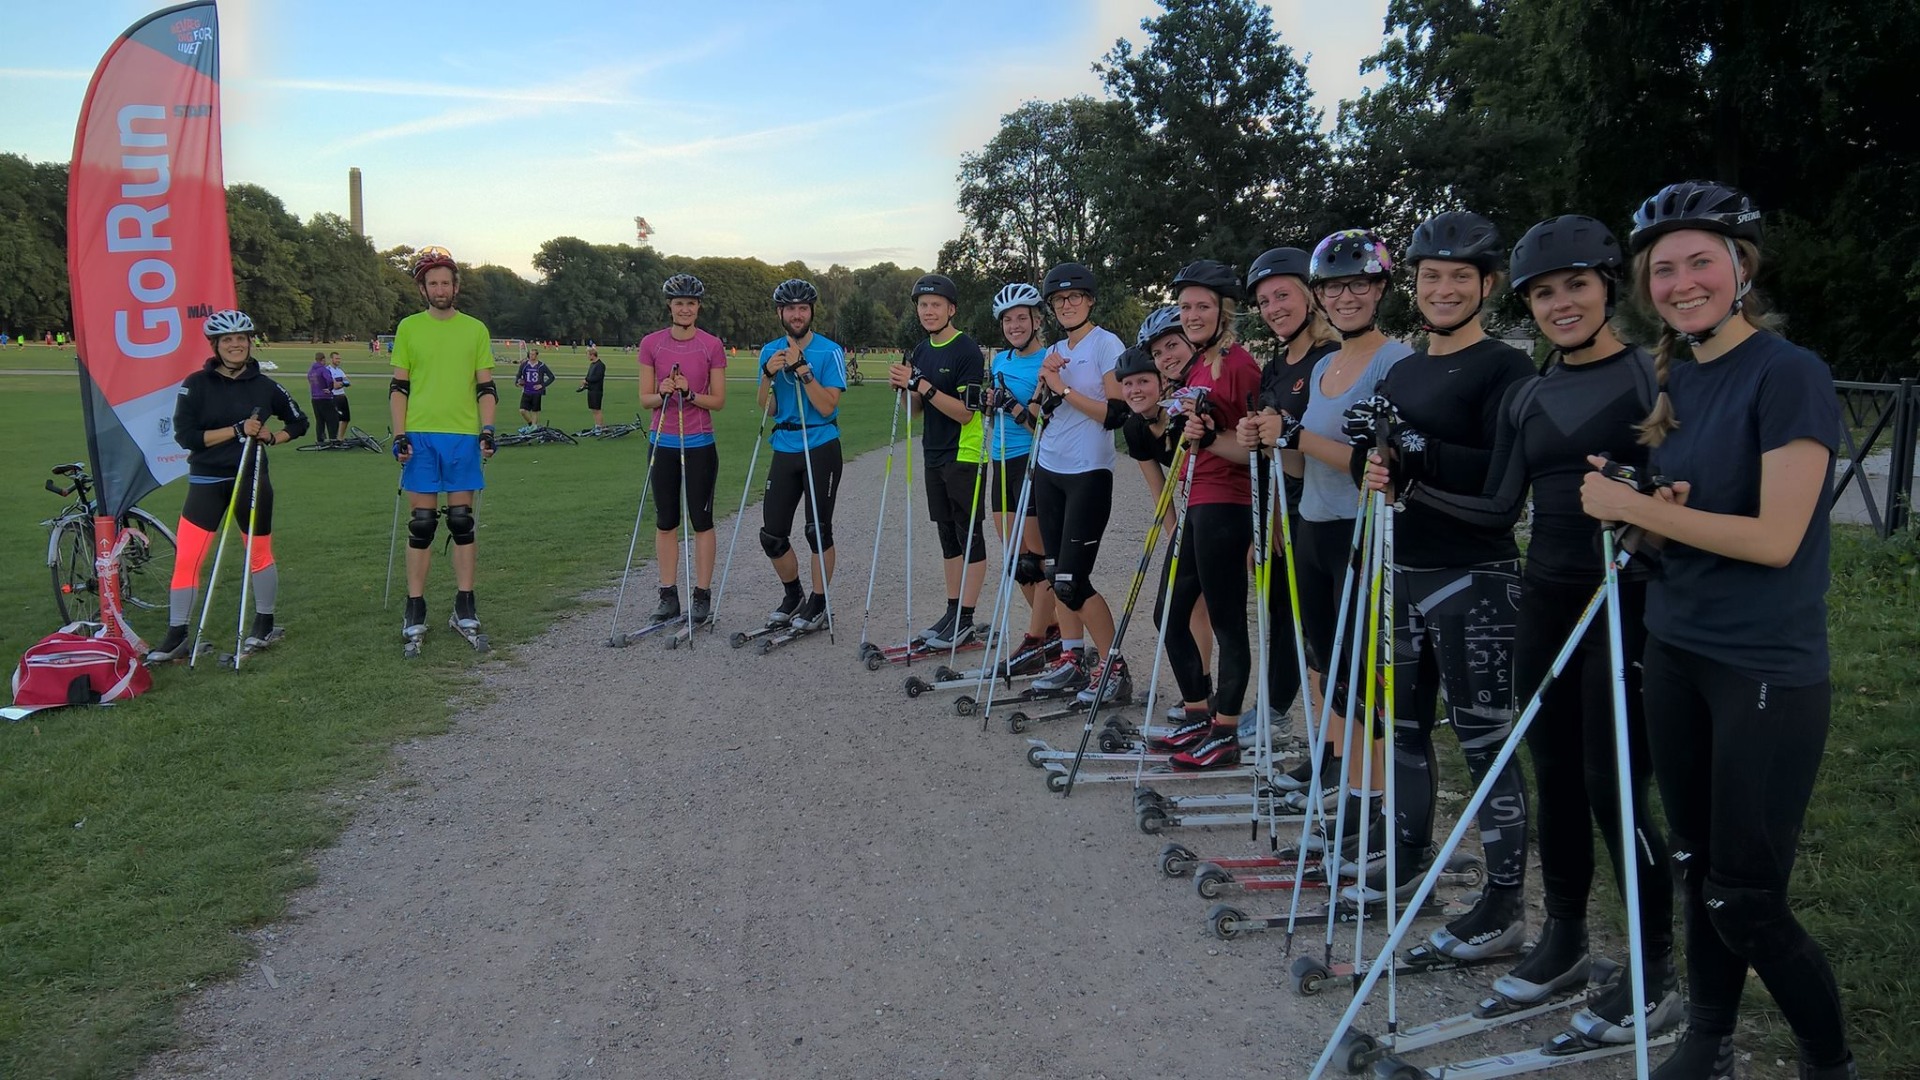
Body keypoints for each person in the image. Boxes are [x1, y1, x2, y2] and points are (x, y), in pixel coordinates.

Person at [1580, 181, 1854, 1080]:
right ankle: (1707, 1038)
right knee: (1698, 864)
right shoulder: (1679, 374)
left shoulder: (1790, 373)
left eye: (1702, 260)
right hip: (1677, 647)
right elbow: (1683, 524)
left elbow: (1777, 539)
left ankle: (1826, 1058)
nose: (1682, 280)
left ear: (1742, 269)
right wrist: (1636, 513)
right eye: (1664, 268)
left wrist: (1633, 505)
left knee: (1748, 898)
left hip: (1762, 667)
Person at [1405, 213, 1676, 1035]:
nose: (1562, 304)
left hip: (1626, 602)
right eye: (1545, 293)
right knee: (1553, 774)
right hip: (1547, 598)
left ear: (1608, 290)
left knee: (1612, 784)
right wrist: (1405, 482)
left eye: (1577, 287)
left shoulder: (1652, 378)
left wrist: (1646, 505)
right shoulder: (1531, 392)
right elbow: (1496, 505)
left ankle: (1655, 969)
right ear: (1526, 301)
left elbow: (1686, 500)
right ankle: (1561, 937)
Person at [1350, 211, 1536, 966]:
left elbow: (1500, 483)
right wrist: (1376, 449)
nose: (1445, 288)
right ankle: (1408, 853)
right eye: (1432, 276)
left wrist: (1420, 455)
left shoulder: (1505, 368)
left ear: (1488, 285)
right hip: (1405, 566)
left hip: (1477, 573)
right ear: (1415, 287)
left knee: (1485, 739)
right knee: (1405, 726)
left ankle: (1504, 901)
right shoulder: (1403, 369)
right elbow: (1390, 470)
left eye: (1462, 276)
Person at [1273, 229, 1412, 864]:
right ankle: (1351, 786)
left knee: (1364, 674)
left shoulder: (1395, 361)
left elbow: (1374, 463)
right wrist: (1271, 443)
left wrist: (1295, 435)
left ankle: (1377, 800)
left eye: (1359, 284)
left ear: (1380, 288)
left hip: (1364, 532)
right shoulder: (1326, 366)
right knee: (1332, 667)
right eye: (1334, 287)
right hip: (1314, 526)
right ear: (1321, 296)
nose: (1346, 296)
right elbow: (1304, 466)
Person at [1130, 261, 1262, 770]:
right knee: (1168, 614)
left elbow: (1259, 450)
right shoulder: (1203, 366)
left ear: (1223, 310)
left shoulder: (1239, 365)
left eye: (1202, 306)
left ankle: (1224, 733)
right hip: (1198, 502)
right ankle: (1198, 714)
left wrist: (1262, 523)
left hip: (1228, 502)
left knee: (1228, 624)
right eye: (1186, 307)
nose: (1193, 315)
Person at [145, 310, 309, 662]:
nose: (236, 345)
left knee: (259, 553)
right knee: (188, 557)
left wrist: (273, 436)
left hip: (251, 478)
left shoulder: (265, 386)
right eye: (227, 340)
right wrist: (237, 430)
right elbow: (187, 437)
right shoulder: (196, 384)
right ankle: (177, 635)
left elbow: (299, 421)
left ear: (250, 343)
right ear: (216, 346)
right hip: (206, 481)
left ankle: (264, 622)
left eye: (241, 339)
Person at [1024, 262, 1131, 703]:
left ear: (1089, 300)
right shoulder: (1054, 348)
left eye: (1075, 298)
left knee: (1071, 579)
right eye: (1059, 300)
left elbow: (1117, 414)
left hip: (1088, 471)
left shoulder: (1107, 345)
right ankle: (1071, 658)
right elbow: (1036, 417)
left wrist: (1063, 387)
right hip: (1050, 468)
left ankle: (1114, 669)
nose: (1067, 305)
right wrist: (1043, 387)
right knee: (1052, 572)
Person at [389, 245, 497, 650]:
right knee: (421, 525)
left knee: (461, 522)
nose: (439, 289)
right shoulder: (409, 328)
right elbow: (399, 388)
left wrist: (487, 429)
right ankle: (415, 605)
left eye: (445, 282)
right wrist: (399, 434)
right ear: (423, 288)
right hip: (420, 436)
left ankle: (464, 603)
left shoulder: (475, 329)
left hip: (462, 436)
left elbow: (486, 387)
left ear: (456, 286)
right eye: (432, 283)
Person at [888, 274, 989, 649]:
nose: (928, 311)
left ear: (951, 309)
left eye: (936, 305)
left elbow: (965, 413)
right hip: (933, 452)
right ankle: (952, 612)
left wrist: (921, 385)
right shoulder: (921, 349)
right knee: (948, 539)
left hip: (965, 453)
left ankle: (966, 618)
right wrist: (904, 389)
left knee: (969, 536)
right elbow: (914, 410)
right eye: (923, 305)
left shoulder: (966, 351)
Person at [756, 278, 848, 631]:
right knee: (772, 535)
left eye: (803, 308)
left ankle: (820, 602)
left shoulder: (829, 351)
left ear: (811, 312)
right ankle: (793, 594)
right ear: (781, 312)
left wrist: (803, 371)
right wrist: (768, 374)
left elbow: (827, 407)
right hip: (785, 445)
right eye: (791, 309)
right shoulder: (770, 351)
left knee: (817, 530)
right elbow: (768, 407)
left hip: (821, 444)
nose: (797, 315)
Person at [638, 273, 728, 625]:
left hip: (699, 443)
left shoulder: (711, 345)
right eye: (679, 303)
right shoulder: (652, 344)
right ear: (670, 307)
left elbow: (718, 401)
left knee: (701, 520)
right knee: (665, 521)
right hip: (662, 441)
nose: (685, 309)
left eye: (691, 303)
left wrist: (690, 394)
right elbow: (645, 398)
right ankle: (668, 595)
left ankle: (702, 595)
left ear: (699, 307)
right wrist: (662, 390)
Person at [982, 282, 1057, 667]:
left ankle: (1035, 637)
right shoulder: (999, 363)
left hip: (1031, 459)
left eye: (1021, 318)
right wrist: (989, 403)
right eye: (1008, 320)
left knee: (1036, 560)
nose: (1014, 325)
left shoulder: (1048, 360)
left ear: (1036, 320)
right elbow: (996, 410)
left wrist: (1011, 406)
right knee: (1016, 561)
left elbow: (1041, 424)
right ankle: (1053, 631)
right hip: (1000, 460)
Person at [515, 347, 555, 429]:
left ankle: (533, 428)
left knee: (535, 411)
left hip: (537, 392)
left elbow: (551, 377)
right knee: (522, 410)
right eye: (530, 354)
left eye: (533, 354)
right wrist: (518, 382)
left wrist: (542, 385)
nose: (531, 356)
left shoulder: (541, 366)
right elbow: (518, 375)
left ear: (537, 355)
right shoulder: (524, 365)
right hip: (526, 391)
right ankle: (531, 424)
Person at [307, 351, 341, 443]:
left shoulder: (311, 371)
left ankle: (320, 439)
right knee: (332, 418)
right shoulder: (323, 369)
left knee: (320, 420)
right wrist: (329, 388)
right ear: (322, 359)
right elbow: (329, 380)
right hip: (324, 397)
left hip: (314, 398)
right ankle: (333, 439)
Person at [580, 346, 607, 431]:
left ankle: (600, 427)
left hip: (597, 390)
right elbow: (589, 376)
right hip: (591, 389)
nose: (587, 357)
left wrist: (587, 380)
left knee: (597, 409)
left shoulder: (600, 365)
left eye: (588, 355)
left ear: (592, 355)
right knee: (593, 409)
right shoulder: (592, 365)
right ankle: (597, 425)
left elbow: (597, 377)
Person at [328, 351, 353, 430]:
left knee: (346, 419)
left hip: (342, 396)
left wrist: (341, 383)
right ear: (331, 359)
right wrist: (343, 383)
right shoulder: (328, 370)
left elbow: (348, 382)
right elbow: (335, 386)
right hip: (334, 397)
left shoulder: (340, 370)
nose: (338, 360)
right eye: (336, 358)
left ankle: (340, 438)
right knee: (335, 419)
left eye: (339, 358)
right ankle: (334, 437)